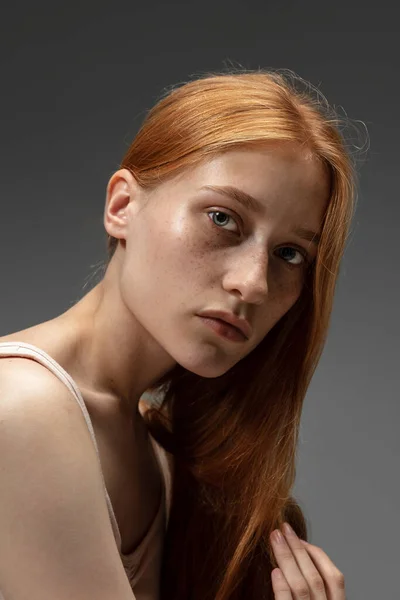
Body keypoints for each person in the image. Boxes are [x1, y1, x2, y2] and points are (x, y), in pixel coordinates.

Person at [0, 69, 356, 600]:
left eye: (289, 254)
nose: (253, 283)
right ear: (122, 206)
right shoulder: (21, 407)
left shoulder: (159, 445)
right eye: (222, 218)